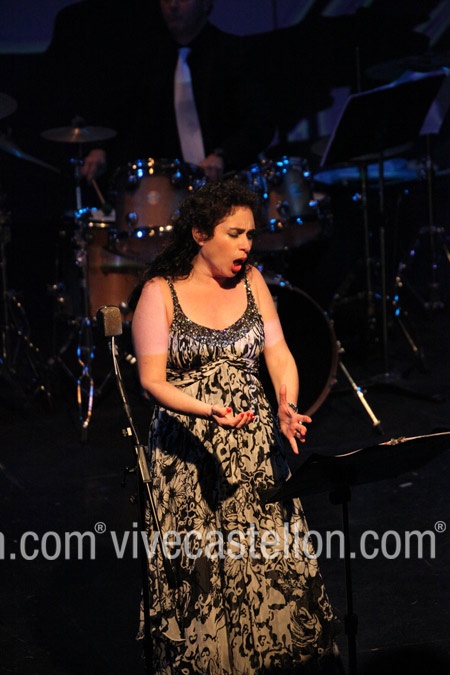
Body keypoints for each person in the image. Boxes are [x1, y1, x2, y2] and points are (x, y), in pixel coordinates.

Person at [131, 179, 342, 673]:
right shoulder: (160, 292)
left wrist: (287, 404)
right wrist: (207, 412)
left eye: (250, 234)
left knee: (268, 561)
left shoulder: (253, 282)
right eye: (234, 233)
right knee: (205, 569)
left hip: (253, 448)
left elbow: (278, 353)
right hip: (188, 455)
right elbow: (151, 382)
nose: (246, 244)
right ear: (201, 234)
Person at [78, 0, 275, 183]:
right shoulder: (146, 61)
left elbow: (260, 123)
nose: (172, 5)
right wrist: (100, 149)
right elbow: (119, 114)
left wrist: (223, 155)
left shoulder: (233, 53)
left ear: (206, 3)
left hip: (231, 181)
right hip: (171, 187)